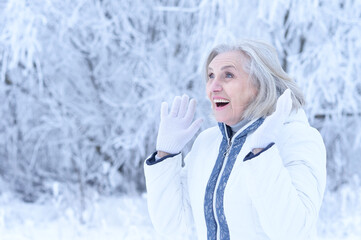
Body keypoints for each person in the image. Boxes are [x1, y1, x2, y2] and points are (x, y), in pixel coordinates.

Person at [144, 39, 326, 240]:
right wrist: (165, 154)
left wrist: (263, 153)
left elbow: (293, 231)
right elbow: (172, 225)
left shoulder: (298, 138)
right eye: (211, 75)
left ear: (260, 84)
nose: (213, 86)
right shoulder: (207, 143)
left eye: (228, 75)